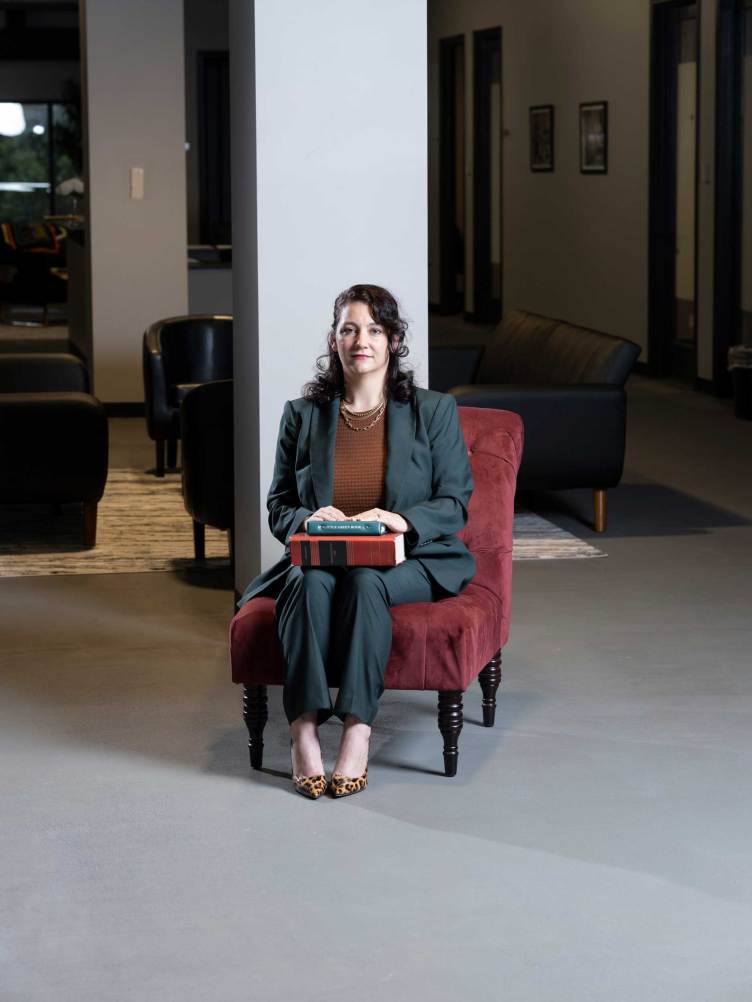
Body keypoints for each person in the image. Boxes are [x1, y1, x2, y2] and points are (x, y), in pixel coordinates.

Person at [236, 284, 475, 799]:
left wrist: (401, 520)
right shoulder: (302, 415)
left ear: (392, 339)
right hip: (321, 552)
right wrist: (306, 516)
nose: (360, 339)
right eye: (348, 329)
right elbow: (278, 502)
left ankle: (356, 729)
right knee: (306, 579)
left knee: (368, 581)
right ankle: (303, 727)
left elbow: (455, 502)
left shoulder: (432, 411)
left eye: (372, 329)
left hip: (411, 556)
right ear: (333, 339)